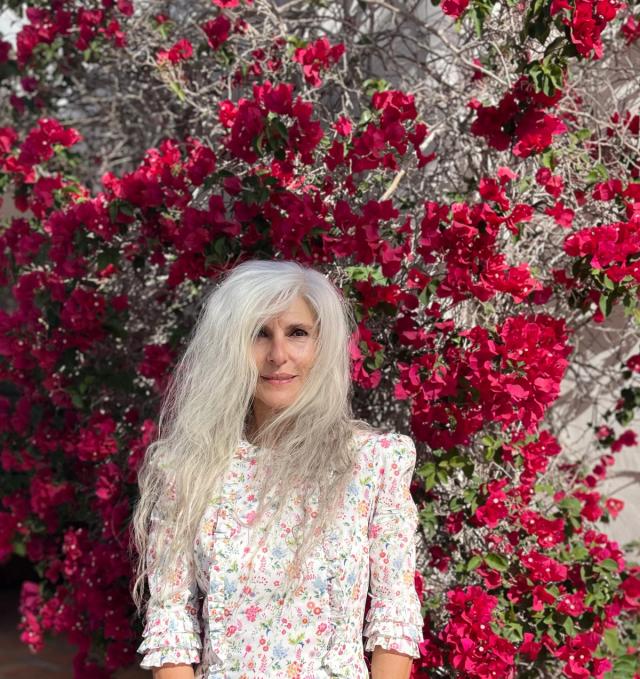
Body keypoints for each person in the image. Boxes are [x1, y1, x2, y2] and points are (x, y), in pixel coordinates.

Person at [130, 259, 424, 679]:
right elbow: (170, 620)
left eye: (297, 333)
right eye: (259, 333)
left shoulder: (373, 463)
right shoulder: (187, 470)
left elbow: (395, 613)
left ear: (322, 345)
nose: (278, 355)